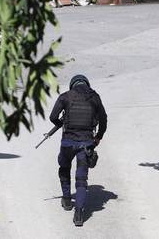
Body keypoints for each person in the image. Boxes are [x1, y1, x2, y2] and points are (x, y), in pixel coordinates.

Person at [49, 74, 107, 227]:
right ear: (86, 84)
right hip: (86, 143)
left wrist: (60, 123)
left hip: (68, 142)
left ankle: (67, 200)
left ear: (72, 85)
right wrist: (98, 137)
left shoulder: (65, 96)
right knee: (81, 178)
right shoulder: (94, 97)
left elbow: (52, 116)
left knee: (64, 168)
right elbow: (104, 119)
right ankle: (79, 213)